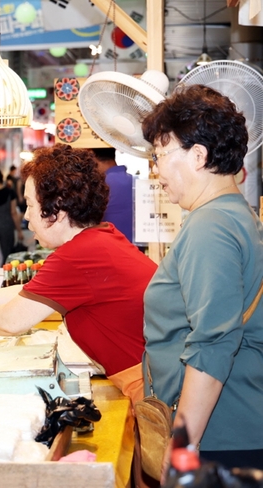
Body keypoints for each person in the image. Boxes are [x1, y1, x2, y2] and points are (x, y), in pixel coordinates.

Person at [0, 145, 157, 404]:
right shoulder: (100, 237)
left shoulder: (78, 255)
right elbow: (30, 294)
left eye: (30, 205)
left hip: (151, 386)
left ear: (56, 209)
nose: (25, 216)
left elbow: (11, 320)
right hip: (151, 374)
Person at [141, 84, 263, 472]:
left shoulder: (210, 225)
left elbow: (213, 343)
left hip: (221, 437)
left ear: (197, 156)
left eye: (160, 155)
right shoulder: (232, 215)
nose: (156, 170)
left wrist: (181, 448)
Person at [92, 147, 134, 242]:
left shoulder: (99, 185)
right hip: (136, 249)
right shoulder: (135, 181)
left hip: (108, 246)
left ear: (93, 158)